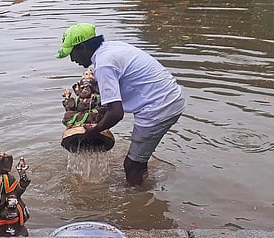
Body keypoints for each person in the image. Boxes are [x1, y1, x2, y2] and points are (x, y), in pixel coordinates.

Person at [55, 23, 185, 186]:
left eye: (72, 53)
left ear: (82, 48)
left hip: (158, 108)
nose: (73, 59)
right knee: (139, 158)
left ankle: (137, 203)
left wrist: (94, 131)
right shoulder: (111, 48)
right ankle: (144, 181)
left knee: (131, 165)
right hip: (170, 97)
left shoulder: (103, 64)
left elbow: (116, 113)